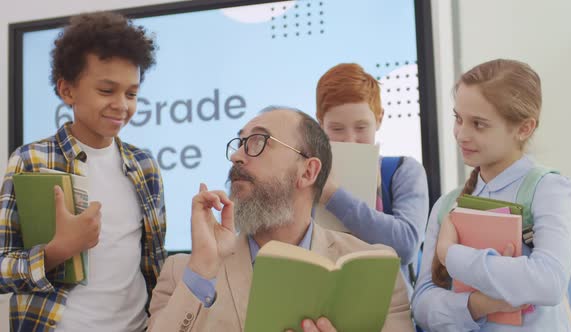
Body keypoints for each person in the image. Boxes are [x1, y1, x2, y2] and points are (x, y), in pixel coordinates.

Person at [148, 106, 413, 332]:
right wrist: (202, 268)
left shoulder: (375, 274)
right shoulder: (184, 273)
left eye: (258, 142)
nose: (236, 156)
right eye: (240, 143)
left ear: (308, 172)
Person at [0, 12, 166, 332]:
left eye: (131, 93)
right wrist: (56, 252)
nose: (122, 105)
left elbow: (153, 266)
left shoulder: (145, 166)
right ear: (67, 91)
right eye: (107, 90)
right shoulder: (30, 160)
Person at [412, 59, 571, 331]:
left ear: (524, 128)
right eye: (458, 119)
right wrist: (480, 305)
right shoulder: (446, 205)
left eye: (479, 124)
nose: (461, 135)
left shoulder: (548, 189)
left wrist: (451, 254)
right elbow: (421, 305)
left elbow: (549, 282)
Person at [315, 63, 429, 293]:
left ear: (379, 119)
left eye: (361, 127)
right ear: (320, 124)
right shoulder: (308, 176)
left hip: (389, 311)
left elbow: (406, 245)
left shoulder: (403, 171)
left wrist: (333, 195)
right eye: (336, 129)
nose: (350, 139)